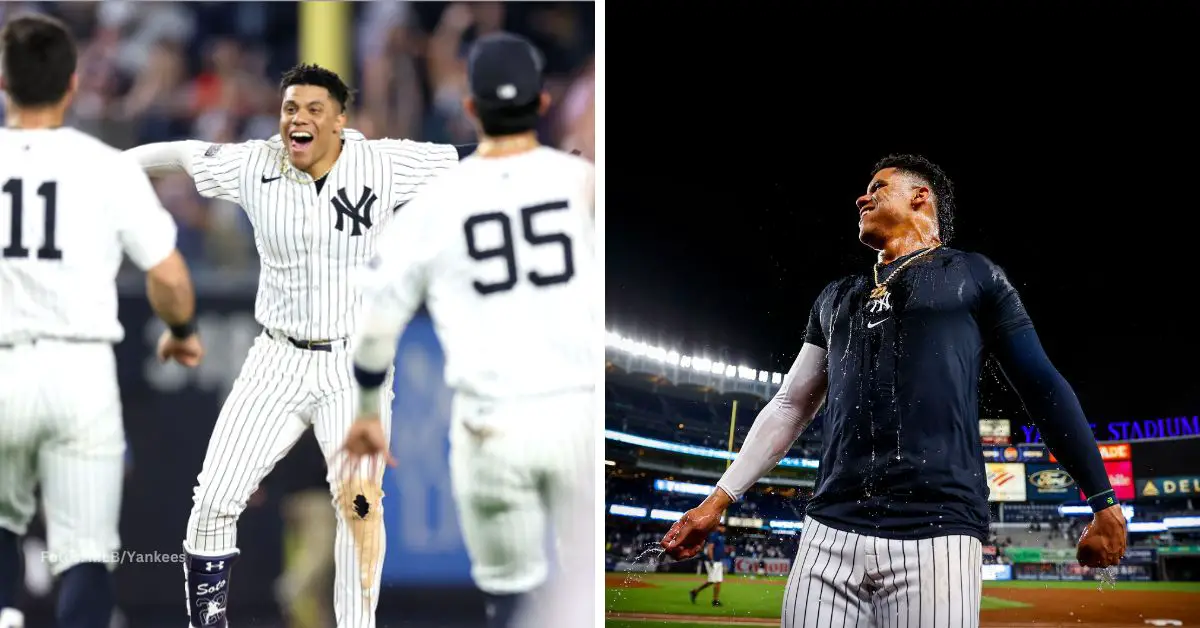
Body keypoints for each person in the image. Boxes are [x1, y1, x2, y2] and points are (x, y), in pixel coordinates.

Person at [661, 154, 1128, 627]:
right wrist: (718, 500)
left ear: (919, 196)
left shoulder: (975, 274)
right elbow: (790, 404)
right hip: (829, 532)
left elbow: (1042, 387)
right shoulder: (835, 295)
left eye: (878, 187)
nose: (862, 196)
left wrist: (1103, 501)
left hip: (938, 531)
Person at [122, 64, 472, 628]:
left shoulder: (382, 162)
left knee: (359, 509)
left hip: (352, 368)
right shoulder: (255, 162)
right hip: (276, 359)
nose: (298, 119)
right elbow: (183, 154)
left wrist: (549, 166)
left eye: (313, 109)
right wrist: (103, 169)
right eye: (290, 108)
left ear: (339, 120)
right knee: (212, 502)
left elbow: (467, 156)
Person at [337, 32, 596, 628]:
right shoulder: (583, 184)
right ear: (545, 103)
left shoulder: (436, 201)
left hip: (490, 424)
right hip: (577, 414)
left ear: (471, 108)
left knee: (510, 603)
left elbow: (374, 327)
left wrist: (370, 413)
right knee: (579, 602)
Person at [0, 13, 202, 628]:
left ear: (4, 83)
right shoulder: (106, 166)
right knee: (85, 557)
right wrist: (183, 333)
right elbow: (169, 276)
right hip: (79, 369)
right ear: (72, 83)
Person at [689, 524, 726, 606]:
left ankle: (714, 600)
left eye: (723, 527)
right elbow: (710, 548)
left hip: (718, 561)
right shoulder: (714, 535)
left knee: (717, 581)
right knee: (713, 581)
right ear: (717, 527)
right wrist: (711, 560)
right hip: (713, 561)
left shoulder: (721, 536)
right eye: (721, 526)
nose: (723, 528)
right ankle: (695, 592)